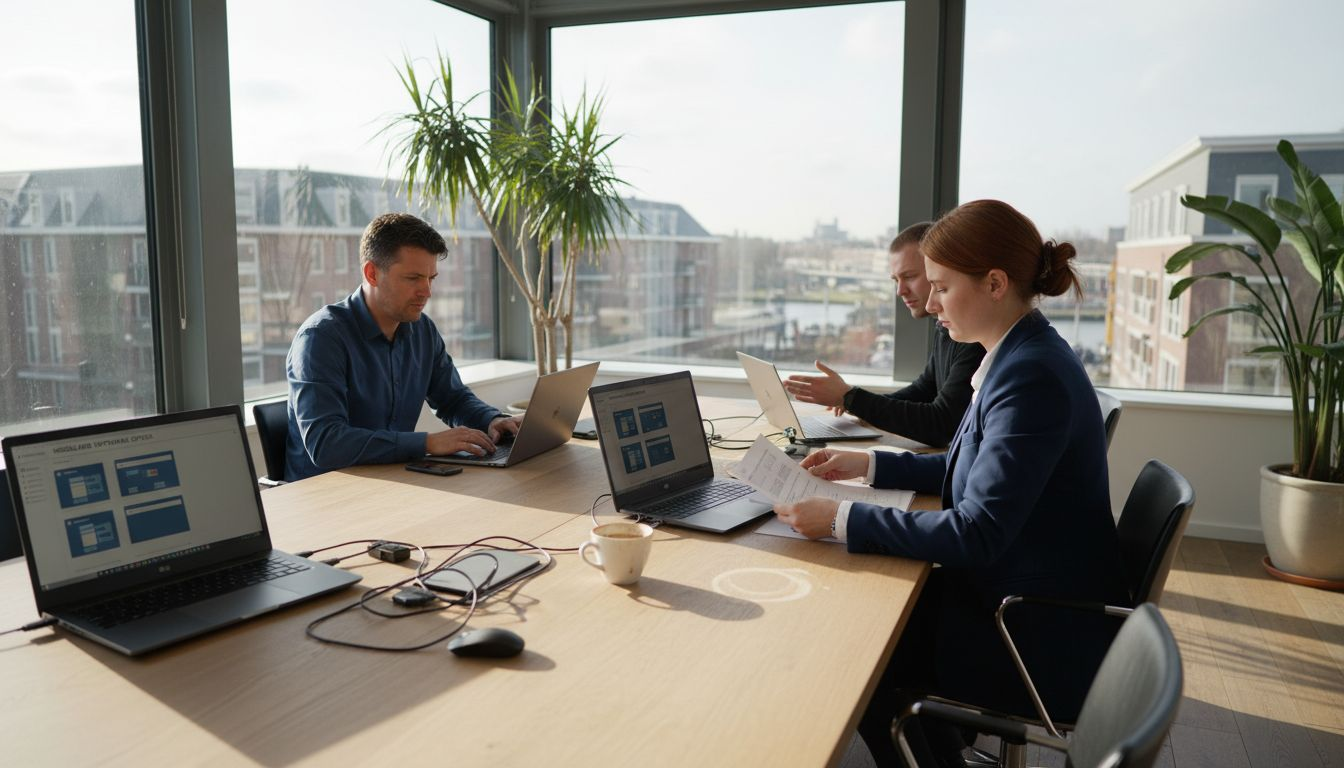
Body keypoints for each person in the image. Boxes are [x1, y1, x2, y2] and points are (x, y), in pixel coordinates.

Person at [775, 200, 1127, 767]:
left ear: (993, 284)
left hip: (1035, 632)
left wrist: (840, 518)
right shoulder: (1017, 355)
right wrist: (866, 466)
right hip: (1021, 594)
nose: (931, 303)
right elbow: (967, 469)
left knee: (863, 655)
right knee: (870, 621)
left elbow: (976, 532)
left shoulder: (1030, 375)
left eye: (940, 286)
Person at [284, 212, 520, 481]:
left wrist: (492, 420)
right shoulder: (320, 338)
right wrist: (427, 443)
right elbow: (325, 443)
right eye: (413, 278)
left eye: (431, 278)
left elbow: (452, 398)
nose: (427, 291)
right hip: (326, 498)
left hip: (395, 483)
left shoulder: (422, 330)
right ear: (372, 273)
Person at [783, 222, 983, 448]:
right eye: (896, 280)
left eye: (909, 276)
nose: (900, 291)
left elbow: (941, 425)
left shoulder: (974, 337)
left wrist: (850, 398)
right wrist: (853, 401)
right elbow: (925, 389)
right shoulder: (946, 328)